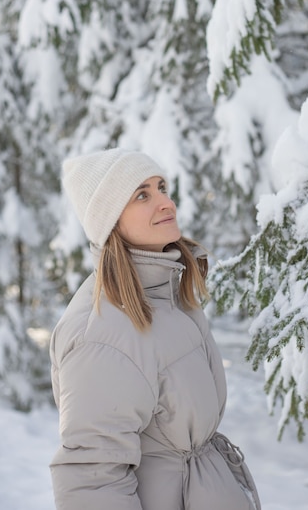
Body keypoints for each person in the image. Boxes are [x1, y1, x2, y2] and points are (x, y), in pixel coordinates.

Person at [50, 147, 261, 510]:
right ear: (110, 220)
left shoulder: (167, 296)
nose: (166, 202)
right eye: (142, 195)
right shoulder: (103, 334)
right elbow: (92, 481)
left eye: (162, 187)